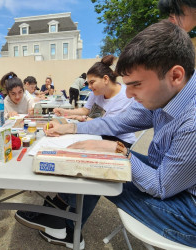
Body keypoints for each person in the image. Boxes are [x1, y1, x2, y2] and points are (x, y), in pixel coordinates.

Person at [16, 20, 196, 249]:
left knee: (96, 166)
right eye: (127, 85)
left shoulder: (192, 121)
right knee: (94, 154)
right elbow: (118, 122)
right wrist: (72, 128)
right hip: (167, 176)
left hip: (187, 213)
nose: (129, 95)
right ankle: (63, 214)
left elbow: (160, 186)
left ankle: (68, 227)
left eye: (137, 85)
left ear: (176, 76)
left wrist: (118, 151)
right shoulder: (166, 93)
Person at [54, 55, 136, 147]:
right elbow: (85, 110)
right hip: (100, 131)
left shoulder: (125, 96)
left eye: (92, 82)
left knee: (78, 144)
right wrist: (65, 112)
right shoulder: (96, 92)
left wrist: (81, 118)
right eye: (88, 83)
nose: (89, 87)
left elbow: (107, 126)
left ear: (105, 79)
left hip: (120, 140)